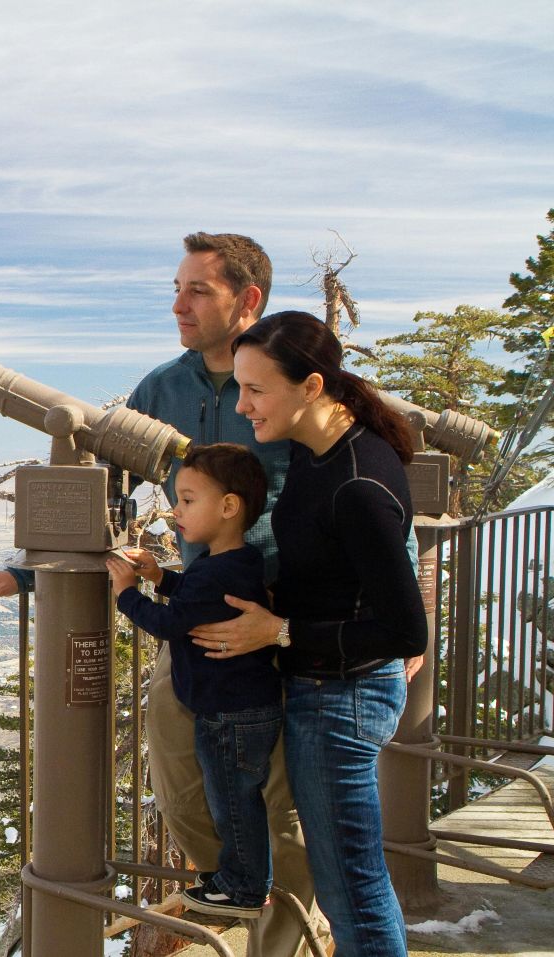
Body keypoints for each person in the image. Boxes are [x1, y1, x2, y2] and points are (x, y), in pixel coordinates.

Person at [0, 233, 328, 957]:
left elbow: (349, 498)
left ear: (247, 301)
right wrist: (24, 575)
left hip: (286, 618)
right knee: (177, 757)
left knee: (285, 807)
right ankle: (235, 882)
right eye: (177, 287)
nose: (178, 304)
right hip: (198, 619)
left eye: (198, 290)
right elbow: (112, 506)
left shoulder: (291, 383)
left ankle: (278, 945)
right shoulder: (164, 389)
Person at [191, 311, 428, 956]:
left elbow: (405, 629)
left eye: (256, 390)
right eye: (238, 388)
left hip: (341, 699)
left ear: (313, 386)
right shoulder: (319, 449)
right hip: (325, 686)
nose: (241, 406)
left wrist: (282, 631)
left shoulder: (357, 483)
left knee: (352, 885)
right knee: (345, 876)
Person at [107, 443, 281, 920]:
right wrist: (161, 578)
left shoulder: (214, 568)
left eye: (187, 500)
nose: (175, 511)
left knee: (233, 802)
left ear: (228, 507)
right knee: (233, 797)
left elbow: (170, 624)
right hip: (239, 707)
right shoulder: (233, 561)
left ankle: (244, 887)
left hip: (229, 715)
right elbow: (197, 599)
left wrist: (126, 594)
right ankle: (237, 877)